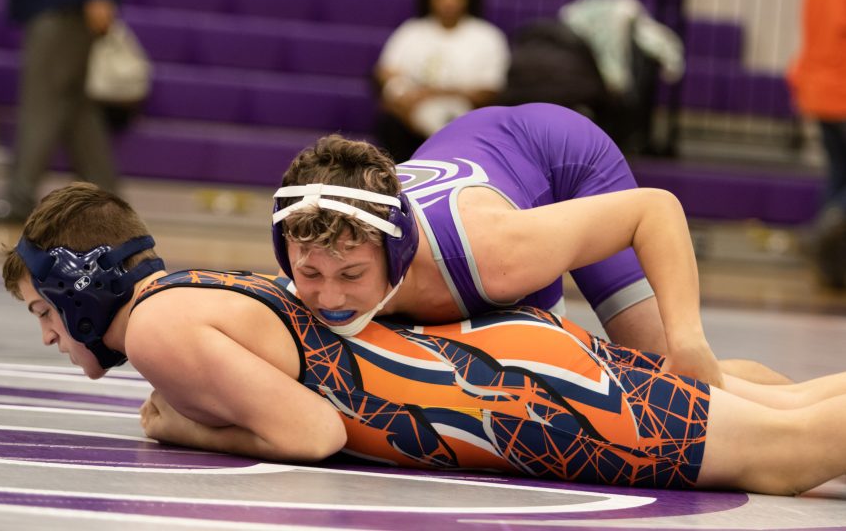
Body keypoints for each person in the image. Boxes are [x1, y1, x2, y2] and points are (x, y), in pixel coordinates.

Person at [4, 182, 846, 495]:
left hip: (525, 401)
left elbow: (313, 432)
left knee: (790, 452)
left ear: (83, 289)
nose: (48, 335)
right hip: (504, 363)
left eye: (44, 311)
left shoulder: (158, 327)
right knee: (787, 403)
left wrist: (180, 424)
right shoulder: (192, 291)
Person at [273, 103, 789, 386]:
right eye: (311, 275)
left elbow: (655, 210)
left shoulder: (495, 256)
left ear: (397, 254)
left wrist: (688, 337)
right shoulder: (317, 255)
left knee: (664, 373)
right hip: (472, 152)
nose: (330, 300)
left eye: (352, 276)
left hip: (560, 160)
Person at [0, 0, 128, 223]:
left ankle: (19, 197)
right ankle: (108, 201)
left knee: (42, 101)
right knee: (74, 106)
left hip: (66, 0)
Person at [373, 0, 510, 163]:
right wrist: (405, 106)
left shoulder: (488, 37)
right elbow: (386, 73)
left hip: (464, 126)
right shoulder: (411, 32)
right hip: (410, 126)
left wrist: (431, 94)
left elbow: (489, 92)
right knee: (389, 122)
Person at [787, 0, 846, 289]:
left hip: (818, 87)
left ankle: (831, 261)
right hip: (841, 88)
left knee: (838, 175)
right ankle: (821, 238)